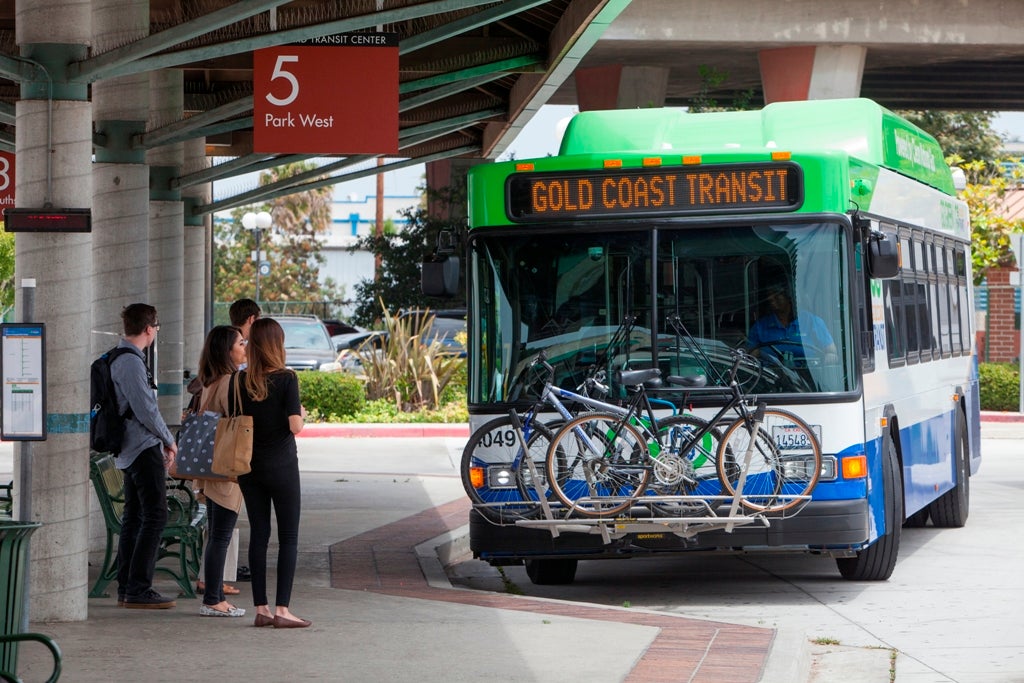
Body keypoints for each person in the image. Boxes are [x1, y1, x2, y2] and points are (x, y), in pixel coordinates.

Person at [235, 318, 310, 629]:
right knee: (288, 537)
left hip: (250, 468)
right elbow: (295, 426)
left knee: (259, 536)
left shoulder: (241, 381)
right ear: (277, 345)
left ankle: (261, 608)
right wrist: (303, 416)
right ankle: (283, 609)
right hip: (282, 467)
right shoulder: (287, 378)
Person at [112, 303, 179, 609]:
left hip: (133, 447)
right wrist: (168, 439)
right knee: (155, 515)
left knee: (136, 516)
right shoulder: (129, 362)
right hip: (141, 447)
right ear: (149, 329)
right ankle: (138, 587)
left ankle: (127, 585)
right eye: (157, 328)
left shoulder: (124, 357)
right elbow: (145, 409)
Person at [194, 326, 248, 617]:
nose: (245, 347)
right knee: (220, 535)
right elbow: (237, 422)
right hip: (226, 466)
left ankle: (213, 597)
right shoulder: (230, 381)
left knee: (216, 532)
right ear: (228, 350)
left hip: (211, 466)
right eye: (241, 343)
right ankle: (213, 599)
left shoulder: (210, 380)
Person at [747, 284, 837, 366]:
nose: (770, 298)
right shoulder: (760, 327)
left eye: (776, 294)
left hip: (808, 378)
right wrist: (756, 354)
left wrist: (825, 361)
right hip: (769, 379)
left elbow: (831, 353)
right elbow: (748, 357)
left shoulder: (813, 322)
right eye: (769, 294)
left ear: (789, 297)